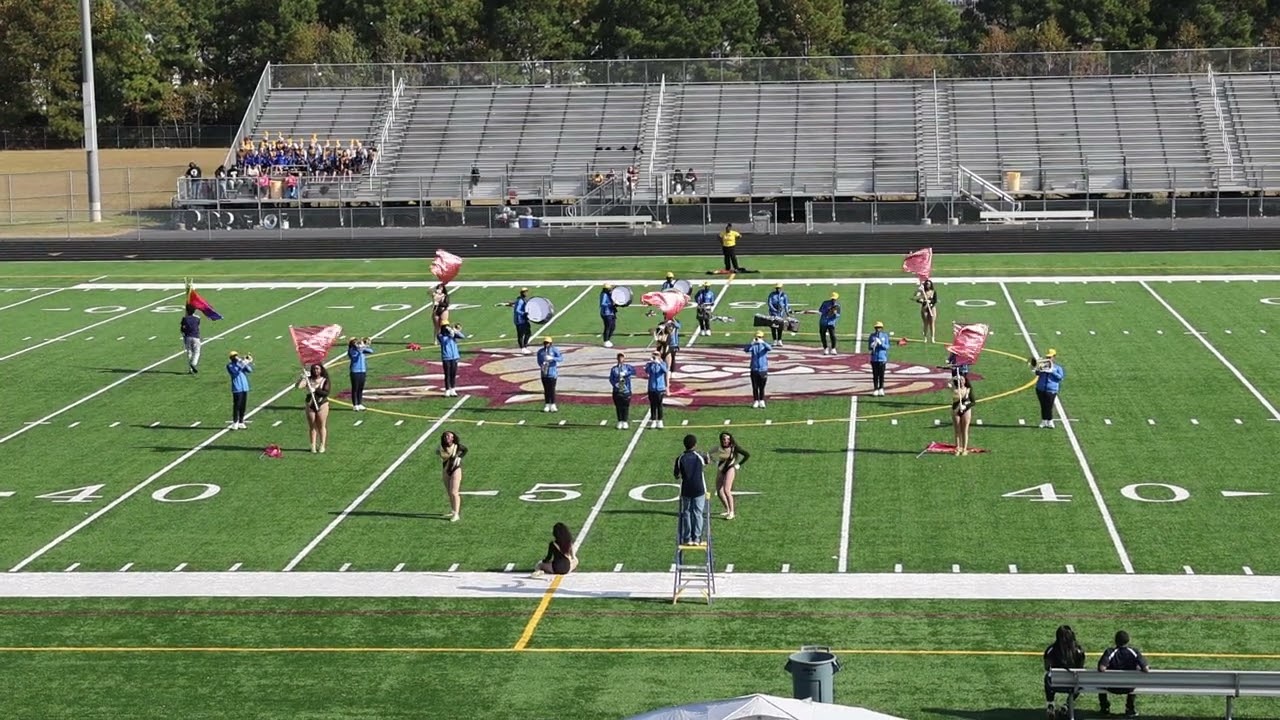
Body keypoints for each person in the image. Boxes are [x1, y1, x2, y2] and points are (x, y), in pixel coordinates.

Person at [1097, 631, 1150, 717]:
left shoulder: (1110, 652)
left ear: (1115, 641)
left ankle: (1104, 708)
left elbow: (1102, 668)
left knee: (1100, 682)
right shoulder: (1134, 652)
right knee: (1134, 681)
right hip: (1128, 687)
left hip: (1111, 686)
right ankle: (1130, 708)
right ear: (1128, 641)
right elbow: (1146, 669)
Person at [673, 434, 711, 545]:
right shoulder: (699, 456)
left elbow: (676, 475)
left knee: (687, 513)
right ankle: (697, 538)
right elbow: (707, 461)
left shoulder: (680, 458)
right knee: (698, 513)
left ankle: (687, 538)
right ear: (695, 444)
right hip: (699, 489)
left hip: (686, 489)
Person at [1044, 625, 1086, 719]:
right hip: (1073, 685)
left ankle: (1050, 703)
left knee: (1047, 677)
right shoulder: (1079, 651)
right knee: (1081, 680)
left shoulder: (1051, 650)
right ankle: (1066, 706)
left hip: (1055, 684)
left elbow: (1047, 667)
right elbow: (1080, 669)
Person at [714, 432, 749, 520]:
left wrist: (739, 465)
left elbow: (747, 455)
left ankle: (732, 512)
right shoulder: (719, 447)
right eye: (724, 439)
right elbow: (710, 453)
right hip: (721, 469)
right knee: (719, 491)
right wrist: (715, 461)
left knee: (726, 490)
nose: (726, 441)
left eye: (728, 439)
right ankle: (727, 509)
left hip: (730, 469)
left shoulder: (734, 448)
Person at [297, 363, 331, 453]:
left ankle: (322, 445)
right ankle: (313, 445)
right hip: (310, 404)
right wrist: (302, 378)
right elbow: (298, 386)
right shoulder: (309, 379)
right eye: (314, 369)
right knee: (312, 425)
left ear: (321, 370)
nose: (316, 371)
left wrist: (316, 390)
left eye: (318, 369)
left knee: (321, 425)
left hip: (322, 404)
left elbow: (326, 393)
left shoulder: (324, 380)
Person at [438, 430, 467, 522]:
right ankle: (453, 510)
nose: (447, 438)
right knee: (449, 492)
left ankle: (457, 514)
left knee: (454, 492)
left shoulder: (457, 446)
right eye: (446, 436)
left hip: (455, 470)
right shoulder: (441, 447)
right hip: (446, 470)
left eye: (449, 436)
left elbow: (465, 450)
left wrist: (459, 457)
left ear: (453, 438)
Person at [1034, 349, 1065, 429]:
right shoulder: (1043, 365)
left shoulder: (1058, 368)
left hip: (1051, 389)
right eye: (1047, 357)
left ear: (1054, 357)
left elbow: (1060, 377)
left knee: (1049, 406)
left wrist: (1052, 372)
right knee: (1043, 405)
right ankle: (1044, 421)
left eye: (1050, 357)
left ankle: (1050, 421)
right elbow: (1037, 373)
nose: (1048, 358)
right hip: (1040, 388)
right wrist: (1038, 367)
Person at [500, 288, 532, 354]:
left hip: (523, 319)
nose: (526, 293)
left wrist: (506, 304)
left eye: (526, 292)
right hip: (520, 320)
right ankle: (523, 348)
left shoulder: (521, 299)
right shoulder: (520, 300)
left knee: (528, 333)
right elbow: (517, 310)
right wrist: (524, 313)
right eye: (525, 292)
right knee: (521, 334)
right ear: (522, 293)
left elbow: (514, 305)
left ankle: (524, 347)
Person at [226, 351, 253, 430]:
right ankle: (235, 422)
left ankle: (241, 421)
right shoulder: (229, 365)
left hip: (244, 387)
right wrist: (243, 362)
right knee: (237, 406)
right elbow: (235, 373)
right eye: (234, 356)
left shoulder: (240, 364)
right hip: (237, 388)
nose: (236, 357)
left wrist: (246, 362)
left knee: (243, 406)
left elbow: (249, 370)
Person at [609, 352, 636, 430]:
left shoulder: (628, 367)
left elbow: (634, 371)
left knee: (625, 406)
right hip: (617, 390)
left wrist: (626, 373)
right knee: (618, 406)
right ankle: (620, 420)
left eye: (622, 357)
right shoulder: (614, 368)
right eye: (619, 357)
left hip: (626, 390)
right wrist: (615, 384)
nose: (620, 359)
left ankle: (625, 420)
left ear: (624, 358)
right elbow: (611, 378)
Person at [745, 331, 771, 409]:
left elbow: (770, 348)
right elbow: (746, 350)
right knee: (755, 387)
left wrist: (763, 342)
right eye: (757, 337)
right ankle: (756, 400)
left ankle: (762, 400)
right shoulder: (754, 346)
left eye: (760, 337)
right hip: (754, 369)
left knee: (762, 387)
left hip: (763, 369)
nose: (758, 338)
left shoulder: (764, 345)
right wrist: (751, 343)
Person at [951, 375, 976, 456]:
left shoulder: (968, 389)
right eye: (959, 380)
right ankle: (957, 448)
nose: (961, 381)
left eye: (962, 379)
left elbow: (973, 402)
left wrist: (965, 406)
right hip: (956, 410)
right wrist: (954, 378)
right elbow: (947, 383)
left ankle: (964, 449)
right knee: (957, 431)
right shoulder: (954, 389)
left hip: (966, 410)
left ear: (965, 381)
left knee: (964, 430)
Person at [439, 323, 465, 397]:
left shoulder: (452, 335)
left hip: (454, 357)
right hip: (446, 357)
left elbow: (462, 336)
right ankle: (447, 390)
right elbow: (445, 341)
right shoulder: (441, 336)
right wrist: (451, 332)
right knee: (447, 374)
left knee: (453, 374)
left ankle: (453, 389)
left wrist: (455, 331)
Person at [537, 336, 563, 412]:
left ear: (551, 343)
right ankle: (547, 404)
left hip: (552, 373)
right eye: (545, 343)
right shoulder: (540, 351)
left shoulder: (555, 350)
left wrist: (552, 358)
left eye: (547, 343)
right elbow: (539, 361)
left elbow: (561, 358)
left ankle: (553, 404)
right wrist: (543, 364)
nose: (546, 344)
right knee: (546, 390)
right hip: (544, 373)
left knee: (552, 389)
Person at [347, 337, 373, 411]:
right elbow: (355, 357)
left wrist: (364, 346)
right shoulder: (352, 350)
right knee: (355, 388)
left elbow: (371, 351)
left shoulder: (361, 350)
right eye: (355, 342)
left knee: (360, 388)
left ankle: (360, 403)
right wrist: (360, 349)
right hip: (355, 371)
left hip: (363, 370)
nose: (357, 343)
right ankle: (355, 405)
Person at [645, 350, 668, 429]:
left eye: (657, 354)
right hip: (652, 388)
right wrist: (651, 363)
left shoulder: (662, 363)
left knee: (659, 405)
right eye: (654, 354)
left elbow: (665, 370)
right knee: (652, 405)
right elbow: (646, 371)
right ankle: (653, 420)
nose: (655, 356)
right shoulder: (650, 364)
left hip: (660, 388)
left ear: (660, 356)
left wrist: (659, 363)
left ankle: (660, 420)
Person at [868, 321, 890, 396]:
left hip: (882, 358)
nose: (878, 329)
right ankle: (875, 388)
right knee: (875, 375)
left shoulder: (885, 336)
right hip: (874, 359)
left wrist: (881, 343)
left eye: (879, 327)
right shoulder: (872, 336)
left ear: (882, 328)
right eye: (877, 328)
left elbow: (887, 347)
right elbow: (869, 347)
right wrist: (872, 345)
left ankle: (881, 388)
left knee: (881, 375)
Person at [914, 279, 938, 344]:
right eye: (927, 284)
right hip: (924, 308)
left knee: (932, 323)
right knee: (925, 323)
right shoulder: (922, 291)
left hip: (932, 308)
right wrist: (921, 300)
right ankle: (925, 338)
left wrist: (930, 301)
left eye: (929, 284)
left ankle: (933, 338)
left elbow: (935, 300)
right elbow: (915, 297)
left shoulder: (933, 291)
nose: (928, 285)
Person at [180, 304, 201, 374]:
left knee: (189, 352)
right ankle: (193, 363)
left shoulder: (184, 319)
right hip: (195, 336)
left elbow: (182, 328)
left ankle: (190, 369)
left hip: (187, 337)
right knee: (197, 352)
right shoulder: (197, 318)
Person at [599, 283, 618, 348]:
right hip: (606, 313)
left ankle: (608, 339)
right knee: (608, 327)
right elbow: (603, 304)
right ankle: (606, 340)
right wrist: (611, 304)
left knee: (613, 327)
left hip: (611, 312)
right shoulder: (604, 294)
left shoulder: (609, 294)